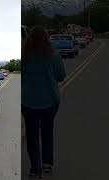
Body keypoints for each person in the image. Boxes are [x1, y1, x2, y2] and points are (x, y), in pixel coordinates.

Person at [22, 26, 66, 178]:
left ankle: (35, 169)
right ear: (47, 38)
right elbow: (61, 76)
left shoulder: (25, 56)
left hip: (28, 103)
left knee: (32, 136)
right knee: (47, 132)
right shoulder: (54, 55)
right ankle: (47, 163)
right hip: (51, 101)